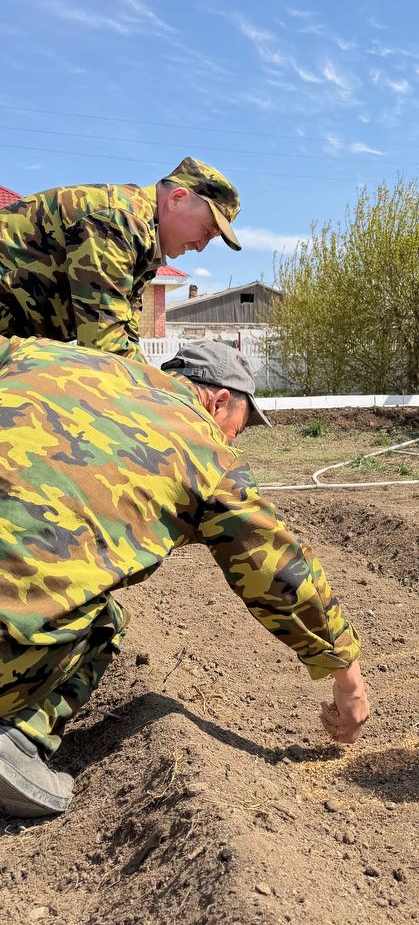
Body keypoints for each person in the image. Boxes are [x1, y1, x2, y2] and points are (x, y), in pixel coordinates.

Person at [0, 337, 368, 819]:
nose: (232, 441)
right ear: (218, 401)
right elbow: (281, 572)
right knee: (102, 621)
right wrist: (348, 682)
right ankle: (17, 741)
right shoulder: (206, 451)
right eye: (237, 428)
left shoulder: (39, 354)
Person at [0, 156, 242, 361]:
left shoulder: (144, 243)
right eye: (206, 231)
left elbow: (126, 338)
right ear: (177, 198)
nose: (201, 246)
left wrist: (155, 386)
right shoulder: (118, 221)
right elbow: (104, 346)